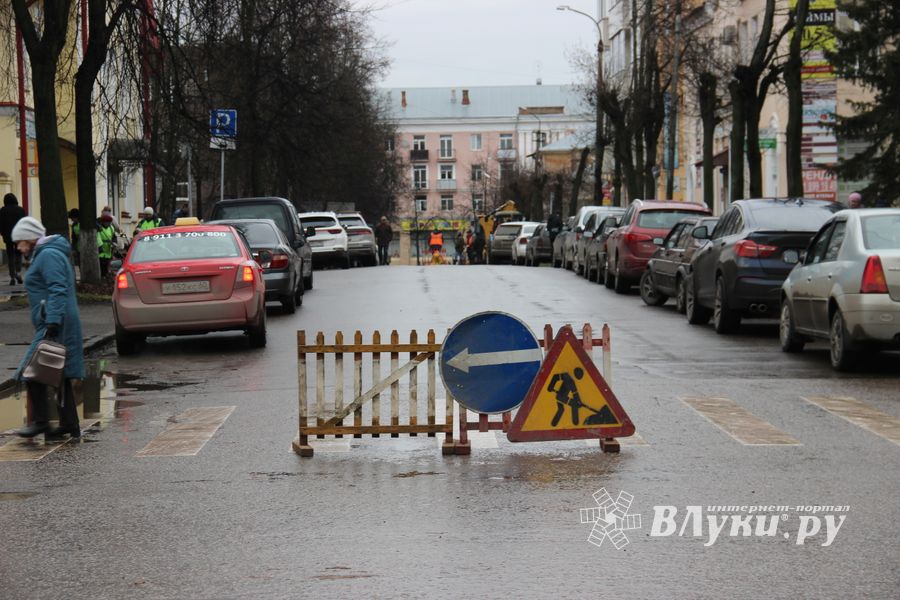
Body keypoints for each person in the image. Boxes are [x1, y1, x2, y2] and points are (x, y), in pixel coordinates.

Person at [12, 216, 84, 439]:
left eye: (20, 241)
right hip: (56, 318)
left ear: (31, 239)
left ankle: (41, 422)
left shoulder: (48, 255)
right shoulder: (45, 254)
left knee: (32, 371)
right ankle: (69, 424)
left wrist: (52, 321)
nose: (17, 246)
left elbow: (58, 288)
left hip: (54, 321)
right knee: (58, 371)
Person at [1, 193, 26, 285]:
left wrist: (2, 233)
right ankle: (18, 272)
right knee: (18, 254)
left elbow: (1, 224)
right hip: (19, 236)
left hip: (8, 236)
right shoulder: (20, 210)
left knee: (10, 256)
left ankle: (12, 276)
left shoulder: (2, 211)